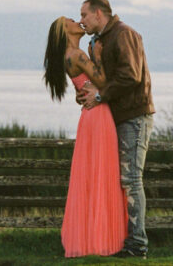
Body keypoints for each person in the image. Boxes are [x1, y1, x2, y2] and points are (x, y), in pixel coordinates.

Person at [43, 16, 128, 258]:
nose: (77, 21)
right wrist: (99, 57)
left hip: (89, 116)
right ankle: (103, 239)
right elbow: (102, 81)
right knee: (103, 173)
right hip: (98, 115)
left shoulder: (70, 56)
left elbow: (88, 85)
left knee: (92, 176)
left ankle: (91, 237)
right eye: (71, 20)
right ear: (64, 30)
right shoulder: (78, 55)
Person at [78, 0, 154, 259]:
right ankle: (124, 241)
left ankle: (137, 246)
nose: (81, 20)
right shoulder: (100, 41)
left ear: (99, 14)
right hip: (119, 116)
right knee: (122, 180)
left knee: (132, 179)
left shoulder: (124, 34)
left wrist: (99, 96)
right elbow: (107, 79)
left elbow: (131, 75)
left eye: (85, 15)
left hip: (134, 116)